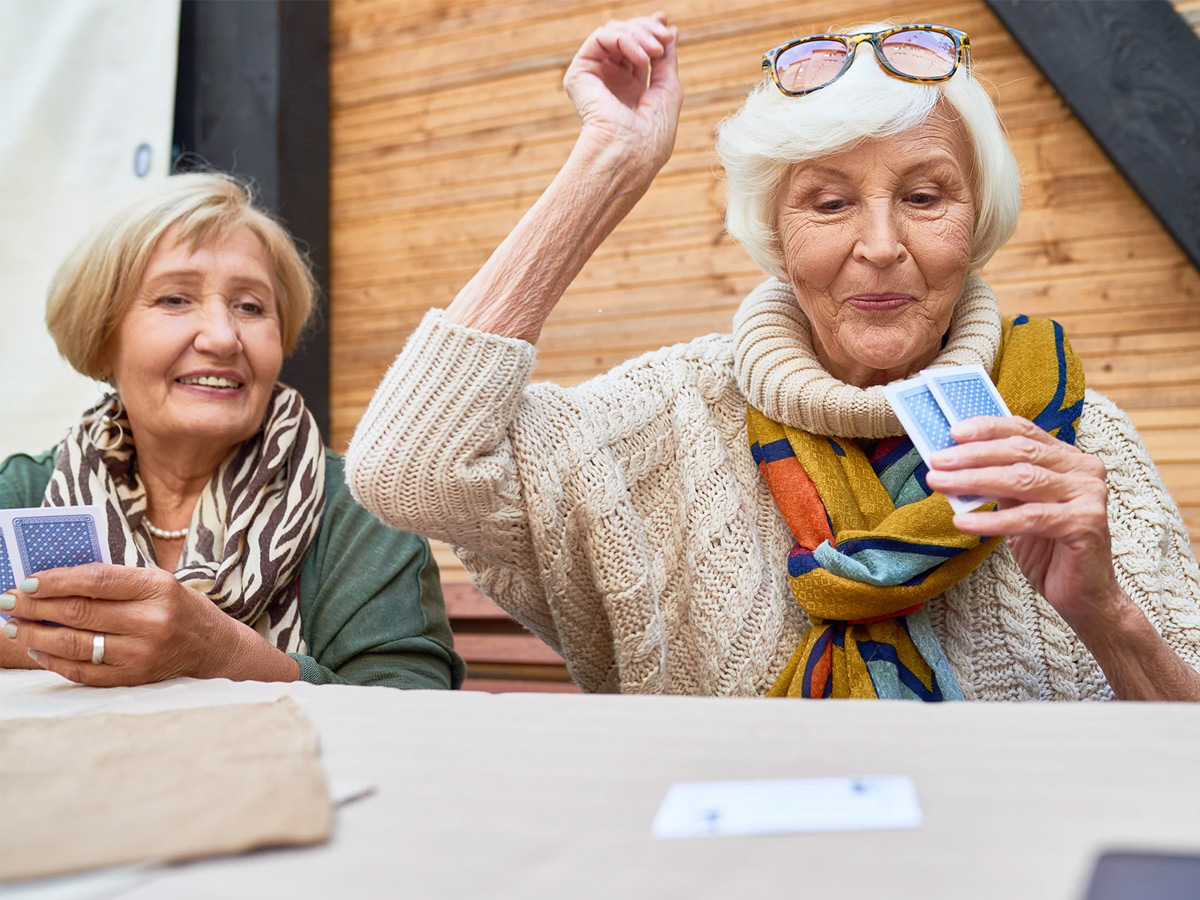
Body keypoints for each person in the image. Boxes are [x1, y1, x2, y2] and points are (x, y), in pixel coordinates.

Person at [344, 14, 1200, 700]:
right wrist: (608, 165)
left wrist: (1108, 614)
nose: (879, 245)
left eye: (924, 196)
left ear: (976, 224)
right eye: (828, 203)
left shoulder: (1078, 442)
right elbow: (407, 468)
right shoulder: (673, 412)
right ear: (776, 237)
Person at [0, 173, 464, 690]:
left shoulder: (360, 511)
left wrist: (220, 654)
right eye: (176, 299)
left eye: (250, 306)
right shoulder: (23, 494)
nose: (223, 337)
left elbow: (414, 707)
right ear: (102, 338)